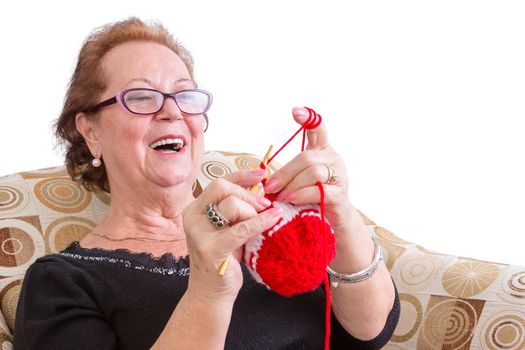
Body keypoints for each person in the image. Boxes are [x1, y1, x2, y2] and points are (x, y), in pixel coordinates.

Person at [14, 17, 400, 349]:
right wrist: (208, 293)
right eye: (142, 97)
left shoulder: (265, 224)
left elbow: (370, 331)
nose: (171, 110)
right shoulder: (62, 281)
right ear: (90, 132)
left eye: (184, 94)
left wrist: (340, 215)